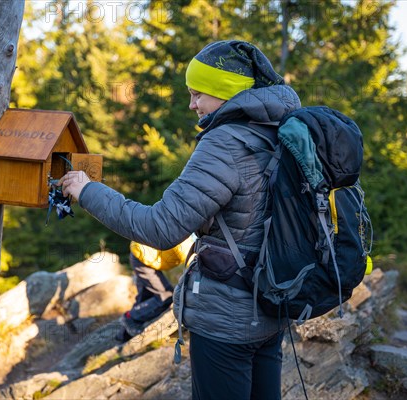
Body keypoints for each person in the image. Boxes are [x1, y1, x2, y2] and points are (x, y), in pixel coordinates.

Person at [58, 40, 301, 400]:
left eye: (197, 94)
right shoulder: (280, 132)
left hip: (226, 321)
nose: (192, 105)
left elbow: (160, 228)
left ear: (225, 92)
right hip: (272, 308)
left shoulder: (224, 143)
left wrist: (87, 190)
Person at [117, 237, 195, 342]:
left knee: (146, 298)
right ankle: (130, 318)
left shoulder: (189, 236)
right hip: (142, 259)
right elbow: (192, 263)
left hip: (143, 256)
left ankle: (123, 336)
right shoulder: (185, 241)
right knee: (166, 296)